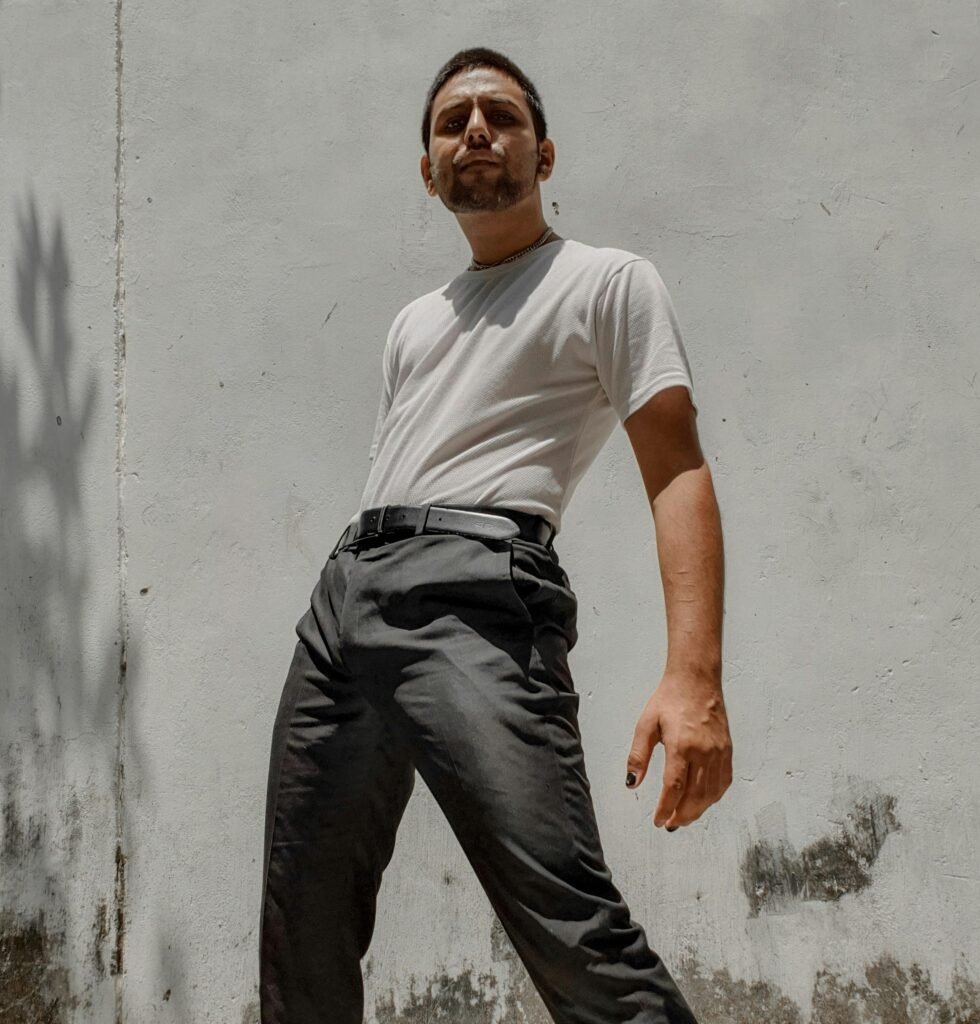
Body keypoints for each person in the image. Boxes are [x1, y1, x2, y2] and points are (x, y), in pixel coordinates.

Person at [259, 46, 732, 1024]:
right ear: (428, 170)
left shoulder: (607, 281)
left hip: (475, 592)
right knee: (300, 931)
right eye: (451, 121)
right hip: (345, 597)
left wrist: (693, 680)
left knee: (569, 927)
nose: (475, 129)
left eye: (500, 115)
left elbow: (677, 467)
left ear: (543, 155)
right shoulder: (413, 323)